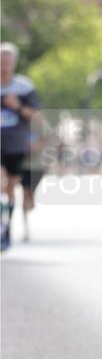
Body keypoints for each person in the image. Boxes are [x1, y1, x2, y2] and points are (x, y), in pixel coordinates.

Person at [1, 43, 41, 250]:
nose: (4, 63)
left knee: (10, 188)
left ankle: (6, 225)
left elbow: (37, 116)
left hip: (16, 146)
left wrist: (17, 106)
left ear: (14, 62)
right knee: (1, 181)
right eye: (1, 58)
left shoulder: (24, 87)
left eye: (8, 59)